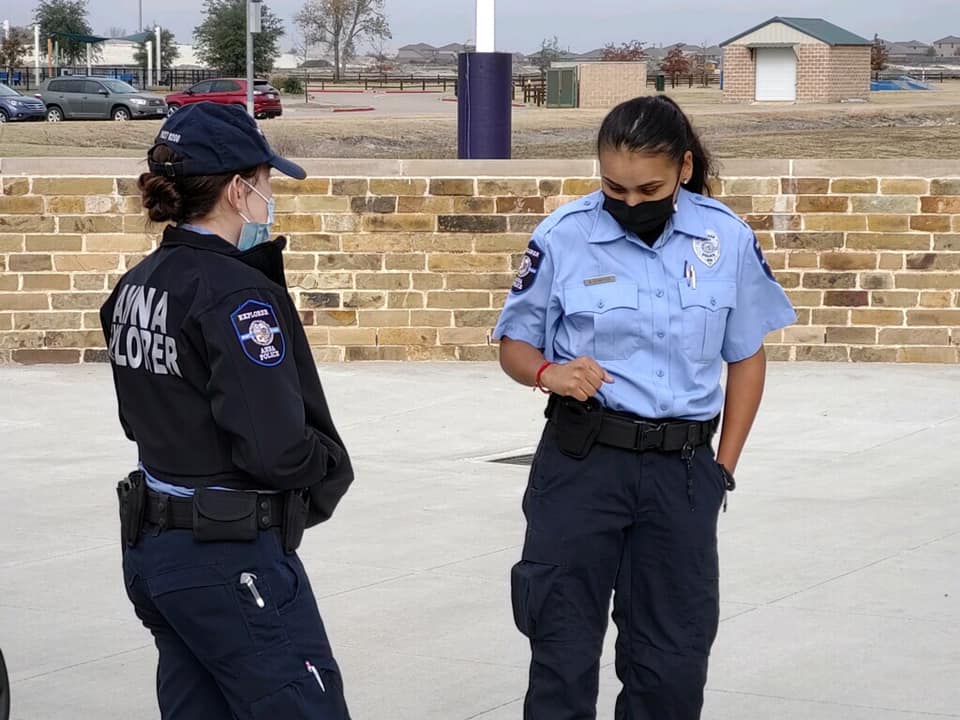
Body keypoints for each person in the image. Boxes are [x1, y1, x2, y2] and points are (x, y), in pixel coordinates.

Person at [493, 95, 796, 720]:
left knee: (673, 661)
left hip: (682, 473)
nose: (630, 202)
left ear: (684, 168)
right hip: (582, 467)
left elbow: (746, 356)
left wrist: (723, 469)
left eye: (647, 188)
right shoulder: (563, 236)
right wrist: (550, 372)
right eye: (614, 188)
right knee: (562, 649)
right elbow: (514, 344)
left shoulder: (726, 238)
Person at [101, 102, 354, 720]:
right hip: (228, 554)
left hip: (159, 547)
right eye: (266, 182)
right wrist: (327, 465)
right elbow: (274, 447)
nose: (269, 197)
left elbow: (139, 417)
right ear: (240, 189)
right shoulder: (236, 294)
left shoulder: (140, 283)